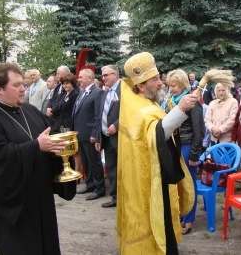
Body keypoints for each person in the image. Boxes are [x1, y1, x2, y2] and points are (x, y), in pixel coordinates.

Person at [0, 63, 76, 254]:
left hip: (41, 199)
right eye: (16, 85)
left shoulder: (30, 111)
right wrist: (36, 146)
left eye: (23, 84)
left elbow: (51, 134)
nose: (22, 89)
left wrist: (61, 147)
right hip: (15, 208)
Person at [117, 52, 196, 255]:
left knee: (164, 219)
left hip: (156, 173)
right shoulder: (137, 107)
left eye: (158, 77)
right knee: (150, 218)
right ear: (141, 86)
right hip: (145, 180)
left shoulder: (146, 102)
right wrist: (180, 109)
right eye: (154, 80)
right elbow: (156, 133)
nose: (160, 83)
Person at [165, 69, 204, 235]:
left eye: (173, 86)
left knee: (189, 185)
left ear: (182, 84)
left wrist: (195, 155)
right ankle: (181, 214)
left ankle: (189, 221)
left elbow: (199, 131)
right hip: (176, 146)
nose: (171, 89)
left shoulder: (193, 102)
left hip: (188, 147)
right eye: (169, 86)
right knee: (179, 183)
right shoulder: (172, 100)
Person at [73, 68, 105, 201]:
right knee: (86, 161)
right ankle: (90, 184)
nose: (78, 79)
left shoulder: (97, 93)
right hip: (80, 133)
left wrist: (95, 133)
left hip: (90, 134)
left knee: (94, 162)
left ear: (89, 78)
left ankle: (99, 188)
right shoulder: (83, 93)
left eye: (81, 77)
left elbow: (98, 115)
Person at [95, 65, 121, 208]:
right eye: (102, 76)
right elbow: (100, 116)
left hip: (120, 137)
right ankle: (115, 197)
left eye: (106, 75)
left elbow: (129, 112)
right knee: (111, 168)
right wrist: (99, 137)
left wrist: (117, 125)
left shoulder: (124, 91)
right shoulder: (104, 94)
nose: (103, 78)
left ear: (115, 75)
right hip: (107, 138)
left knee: (123, 169)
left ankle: (126, 198)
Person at [52, 73, 82, 173]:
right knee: (66, 150)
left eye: (67, 83)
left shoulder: (75, 94)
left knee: (75, 151)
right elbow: (58, 107)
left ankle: (77, 173)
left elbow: (74, 111)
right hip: (62, 125)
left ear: (73, 83)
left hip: (70, 125)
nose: (65, 86)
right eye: (64, 84)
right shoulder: (64, 94)